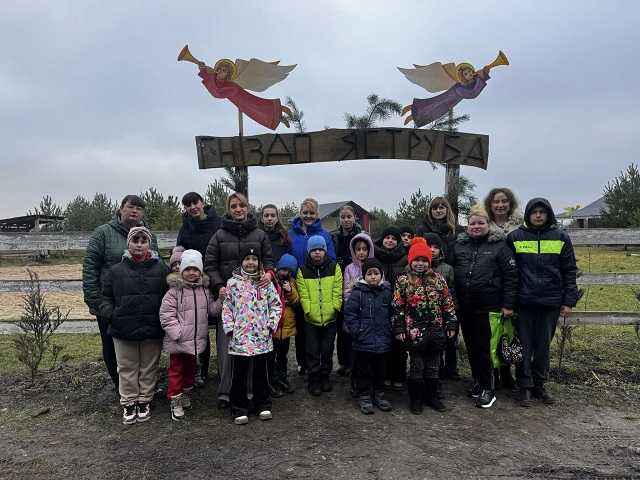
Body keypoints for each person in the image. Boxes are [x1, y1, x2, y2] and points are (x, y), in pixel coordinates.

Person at [204, 192, 274, 409]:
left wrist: (269, 273)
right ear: (229, 209)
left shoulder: (260, 234)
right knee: (227, 349)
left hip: (255, 302)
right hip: (230, 298)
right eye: (234, 206)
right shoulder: (219, 235)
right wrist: (219, 286)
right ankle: (226, 393)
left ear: (247, 207)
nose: (238, 209)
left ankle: (252, 392)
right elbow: (210, 264)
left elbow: (269, 260)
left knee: (254, 349)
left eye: (241, 205)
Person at [508, 198, 578, 407]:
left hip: (550, 302)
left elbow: (569, 271)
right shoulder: (515, 237)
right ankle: (525, 386)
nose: (538, 215)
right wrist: (509, 302)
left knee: (543, 348)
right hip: (524, 302)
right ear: (528, 214)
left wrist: (568, 302)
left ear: (549, 214)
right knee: (523, 346)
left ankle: (540, 385)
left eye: (542, 212)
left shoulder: (561, 237)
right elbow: (508, 273)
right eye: (534, 212)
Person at [83, 195, 158, 390]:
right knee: (112, 346)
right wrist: (96, 301)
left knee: (141, 346)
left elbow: (156, 265)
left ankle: (142, 387)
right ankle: (121, 387)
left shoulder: (149, 235)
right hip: (111, 302)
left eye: (139, 208)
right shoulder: (103, 233)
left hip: (140, 303)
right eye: (130, 207)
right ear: (120, 209)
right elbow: (90, 266)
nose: (134, 211)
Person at [99, 227, 168, 425]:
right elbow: (105, 297)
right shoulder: (116, 271)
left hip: (152, 327)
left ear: (149, 244)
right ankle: (129, 402)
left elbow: (169, 297)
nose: (139, 245)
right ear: (128, 243)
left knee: (148, 367)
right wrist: (112, 314)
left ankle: (145, 400)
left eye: (143, 241)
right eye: (135, 240)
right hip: (123, 328)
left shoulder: (161, 269)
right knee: (126, 367)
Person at [454, 205, 518, 409]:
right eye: (472, 223)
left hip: (488, 305)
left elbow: (511, 276)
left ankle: (488, 388)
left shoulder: (500, 246)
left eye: (480, 223)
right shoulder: (460, 246)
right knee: (471, 347)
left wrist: (508, 304)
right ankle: (478, 381)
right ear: (467, 226)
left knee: (485, 348)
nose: (476, 226)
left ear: (488, 225)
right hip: (465, 306)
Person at [393, 237, 458, 414]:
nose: (420, 264)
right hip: (415, 332)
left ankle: (432, 396)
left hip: (436, 330)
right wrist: (399, 328)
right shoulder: (403, 281)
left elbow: (447, 303)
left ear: (429, 261)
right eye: (417, 260)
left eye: (424, 260)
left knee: (433, 366)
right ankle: (416, 398)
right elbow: (398, 306)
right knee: (417, 366)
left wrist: (451, 324)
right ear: (410, 261)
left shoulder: (438, 279)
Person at [222, 246, 282, 425]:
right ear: (241, 262)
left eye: (254, 259)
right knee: (239, 373)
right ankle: (239, 407)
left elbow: (276, 304)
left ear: (259, 262)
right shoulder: (232, 283)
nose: (250, 262)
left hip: (261, 336)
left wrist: (271, 325)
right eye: (247, 259)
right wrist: (230, 328)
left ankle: (262, 404)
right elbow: (227, 307)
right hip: (240, 337)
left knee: (260, 372)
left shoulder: (265, 283)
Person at [159, 250, 221, 421]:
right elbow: (166, 315)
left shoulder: (204, 291)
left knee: (190, 370)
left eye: (195, 269)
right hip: (178, 341)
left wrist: (221, 301)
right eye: (188, 269)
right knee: (176, 371)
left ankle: (185, 393)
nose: (191, 273)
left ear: (200, 271)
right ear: (181, 270)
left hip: (194, 341)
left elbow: (211, 310)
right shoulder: (174, 291)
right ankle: (175, 399)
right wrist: (177, 333)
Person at [176, 192, 222, 388]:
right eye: (188, 205)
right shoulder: (185, 227)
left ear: (202, 203)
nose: (193, 207)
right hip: (195, 280)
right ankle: (201, 369)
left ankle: (224, 365)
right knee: (199, 325)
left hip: (216, 277)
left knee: (221, 324)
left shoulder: (218, 222)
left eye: (195, 202)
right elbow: (179, 251)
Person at [288, 198, 336, 374]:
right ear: (300, 213)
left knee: (316, 328)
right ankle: (303, 362)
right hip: (298, 284)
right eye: (305, 213)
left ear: (317, 214)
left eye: (312, 213)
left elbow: (331, 258)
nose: (308, 216)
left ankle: (322, 364)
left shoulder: (325, 235)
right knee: (301, 325)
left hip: (318, 284)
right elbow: (287, 256)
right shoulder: (291, 234)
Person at [344, 258, 394, 415]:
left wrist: (390, 330)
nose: (373, 277)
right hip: (363, 341)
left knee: (380, 370)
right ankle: (364, 395)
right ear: (364, 276)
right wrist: (357, 331)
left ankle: (379, 394)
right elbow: (350, 314)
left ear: (381, 275)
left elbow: (393, 313)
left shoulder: (386, 292)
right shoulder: (357, 293)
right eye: (369, 274)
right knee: (363, 370)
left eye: (376, 273)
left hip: (382, 340)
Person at [296, 235, 343, 396]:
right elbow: (303, 294)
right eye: (314, 250)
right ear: (309, 252)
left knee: (327, 349)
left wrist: (335, 307)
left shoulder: (334, 267)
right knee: (312, 350)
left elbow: (337, 290)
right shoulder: (302, 270)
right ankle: (314, 378)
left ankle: (325, 376)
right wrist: (308, 311)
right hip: (311, 320)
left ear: (325, 251)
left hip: (330, 318)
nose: (317, 252)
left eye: (320, 249)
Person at [374, 226, 408, 390]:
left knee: (399, 342)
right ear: (382, 239)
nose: (390, 241)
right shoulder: (375, 256)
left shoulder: (405, 257)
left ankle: (399, 375)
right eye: (387, 237)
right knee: (384, 341)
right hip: (381, 304)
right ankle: (385, 375)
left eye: (394, 238)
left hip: (400, 305)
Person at [331, 205, 362, 377]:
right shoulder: (334, 237)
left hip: (355, 283)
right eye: (343, 217)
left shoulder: (361, 236)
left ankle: (355, 361)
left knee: (354, 323)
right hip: (338, 283)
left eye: (349, 216)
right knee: (341, 326)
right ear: (339, 219)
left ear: (354, 217)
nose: (346, 220)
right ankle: (344, 362)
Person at [268, 253, 300, 396]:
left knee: (283, 356)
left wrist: (290, 291)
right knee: (271, 357)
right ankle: (272, 380)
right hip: (274, 328)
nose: (284, 273)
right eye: (282, 269)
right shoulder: (272, 282)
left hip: (286, 329)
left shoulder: (292, 283)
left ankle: (282, 378)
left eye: (287, 270)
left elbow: (297, 301)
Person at [417, 196, 463, 265]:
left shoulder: (457, 229)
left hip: (453, 268)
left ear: (447, 209)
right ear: (430, 211)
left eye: (441, 208)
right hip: (428, 268)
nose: (438, 211)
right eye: (435, 208)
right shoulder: (423, 229)